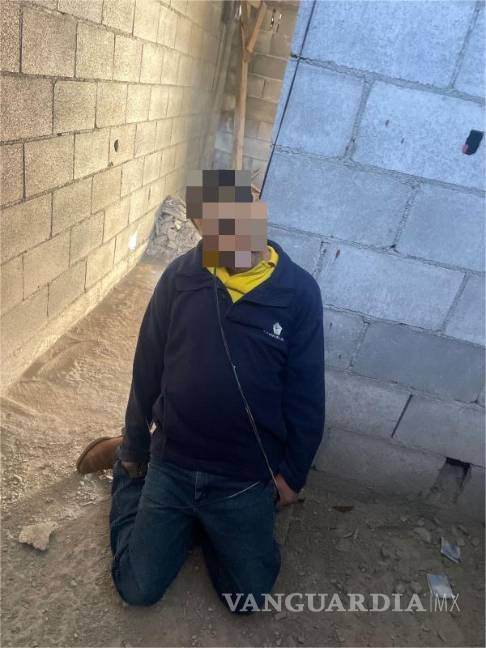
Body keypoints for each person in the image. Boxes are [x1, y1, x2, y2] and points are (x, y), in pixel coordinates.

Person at [76, 169, 325, 612]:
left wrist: (292, 476)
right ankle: (127, 470)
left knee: (248, 599)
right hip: (174, 460)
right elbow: (147, 367)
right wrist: (135, 447)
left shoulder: (298, 292)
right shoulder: (180, 278)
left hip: (243, 474)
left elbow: (306, 396)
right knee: (137, 587)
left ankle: (199, 524)